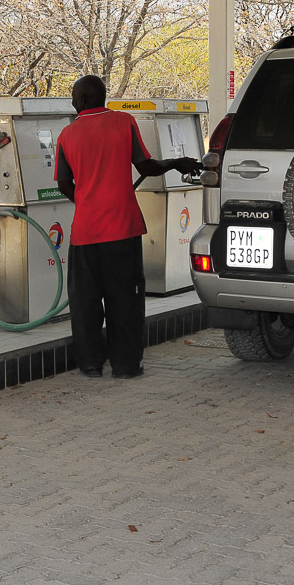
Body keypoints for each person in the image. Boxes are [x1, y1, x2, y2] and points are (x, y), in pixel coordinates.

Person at [54, 75, 200, 379]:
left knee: (85, 303)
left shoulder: (67, 135)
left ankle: (91, 364)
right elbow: (145, 166)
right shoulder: (124, 122)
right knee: (126, 299)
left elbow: (64, 184)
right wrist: (176, 163)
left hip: (85, 232)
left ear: (82, 100)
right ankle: (125, 366)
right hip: (122, 228)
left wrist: (85, 201)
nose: (71, 100)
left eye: (73, 96)